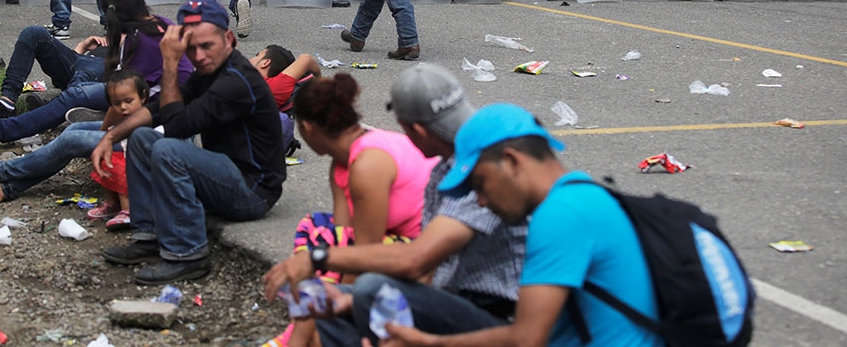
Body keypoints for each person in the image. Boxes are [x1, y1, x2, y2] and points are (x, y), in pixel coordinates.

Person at [264, 64, 527, 346]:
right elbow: (356, 241)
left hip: (493, 313)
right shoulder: (442, 169)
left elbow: (413, 260)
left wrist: (318, 260)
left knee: (368, 288)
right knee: (333, 296)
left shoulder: (479, 173)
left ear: (415, 130)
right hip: (445, 291)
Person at [377, 103, 664, 347]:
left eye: (480, 184)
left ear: (511, 162)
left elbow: (525, 340)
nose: (481, 202)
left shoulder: (561, 215)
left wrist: (430, 343)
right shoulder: (580, 195)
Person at [95, 0, 286, 286]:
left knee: (167, 148)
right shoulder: (209, 72)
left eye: (207, 46)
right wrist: (110, 136)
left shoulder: (236, 81)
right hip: (224, 176)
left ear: (229, 39)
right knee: (142, 137)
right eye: (191, 48)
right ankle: (149, 237)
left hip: (252, 192)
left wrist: (171, 62)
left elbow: (176, 127)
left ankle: (188, 254)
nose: (199, 56)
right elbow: (159, 108)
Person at [263, 72, 434, 347]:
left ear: (307, 128)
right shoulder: (342, 165)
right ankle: (305, 328)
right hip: (389, 247)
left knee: (322, 251)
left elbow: (361, 255)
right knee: (315, 228)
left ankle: (301, 333)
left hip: (425, 256)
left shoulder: (368, 164)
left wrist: (336, 300)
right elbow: (343, 235)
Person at [0, 0, 193, 147]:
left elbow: (124, 87)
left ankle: (1, 129)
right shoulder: (140, 30)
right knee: (35, 34)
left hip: (98, 74)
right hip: (82, 59)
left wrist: (108, 133)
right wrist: (80, 48)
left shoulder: (140, 39)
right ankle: (7, 104)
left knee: (77, 93)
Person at [0, 25, 107, 120]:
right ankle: (6, 104)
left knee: (83, 77)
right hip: (84, 59)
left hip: (107, 67)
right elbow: (72, 65)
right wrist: (82, 46)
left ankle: (55, 108)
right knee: (33, 33)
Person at [87, 69, 151, 231]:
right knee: (108, 160)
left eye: (129, 101)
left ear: (143, 97)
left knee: (122, 167)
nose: (123, 107)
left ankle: (129, 211)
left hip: (144, 166)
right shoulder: (122, 121)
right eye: (116, 103)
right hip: (128, 158)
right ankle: (113, 204)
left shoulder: (147, 119)